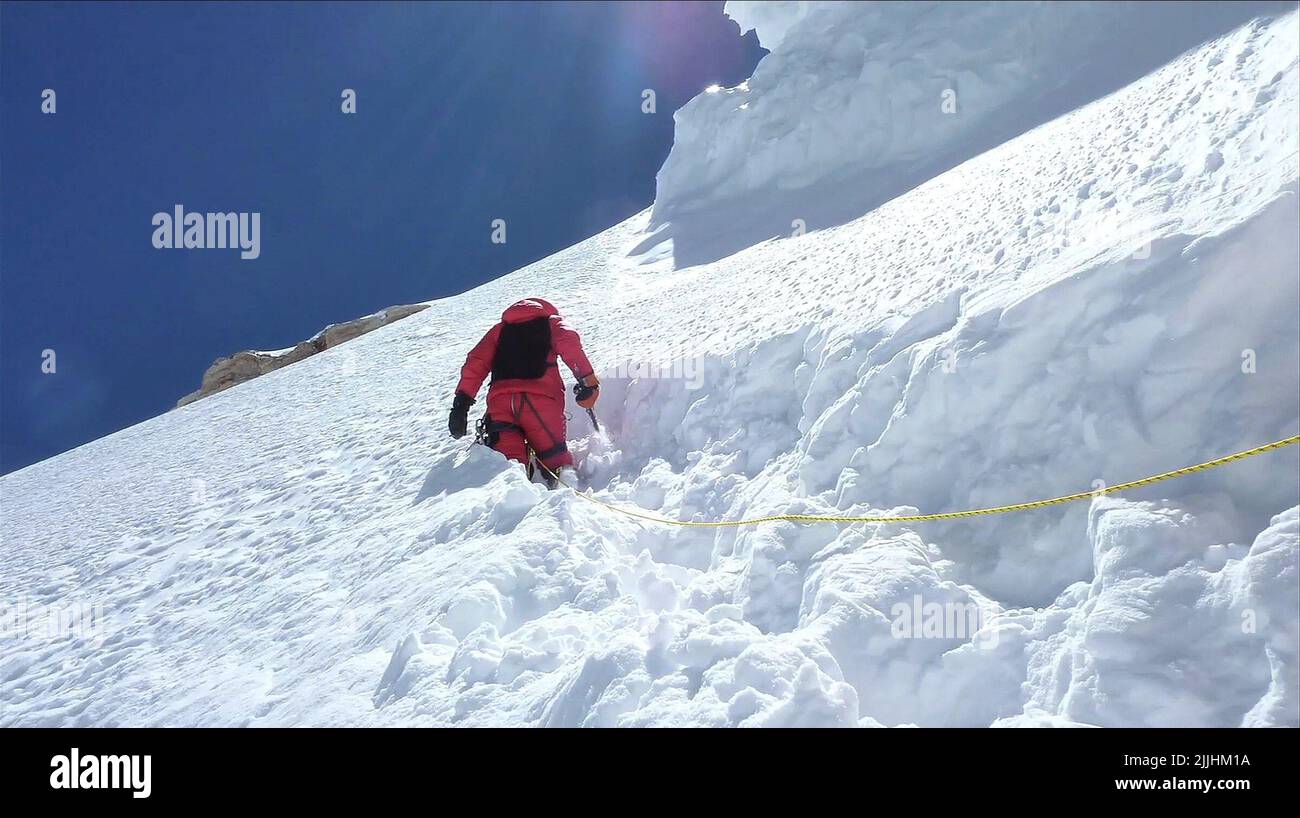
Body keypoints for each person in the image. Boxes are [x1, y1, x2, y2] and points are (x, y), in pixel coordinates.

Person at [448, 298, 598, 486]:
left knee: (509, 466)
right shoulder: (552, 323)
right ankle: (568, 496)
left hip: (501, 404)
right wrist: (588, 383)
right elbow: (570, 344)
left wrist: (460, 406)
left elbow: (475, 364)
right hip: (540, 402)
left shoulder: (499, 331)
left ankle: (515, 501)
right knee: (554, 456)